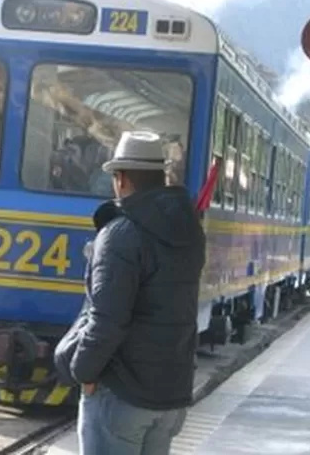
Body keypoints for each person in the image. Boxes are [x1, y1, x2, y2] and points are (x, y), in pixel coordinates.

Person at [53, 130, 206, 455]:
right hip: (169, 394)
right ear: (161, 176)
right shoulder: (190, 231)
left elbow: (107, 319)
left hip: (122, 394)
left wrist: (84, 372)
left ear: (120, 179)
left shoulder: (121, 233)